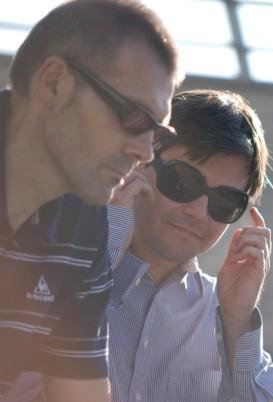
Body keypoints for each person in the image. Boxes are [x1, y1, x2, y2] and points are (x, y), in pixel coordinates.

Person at [0, 1, 179, 401]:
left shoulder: (83, 224)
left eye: (156, 134)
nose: (145, 153)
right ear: (54, 84)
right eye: (135, 118)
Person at [106, 89, 273, 401]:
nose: (199, 212)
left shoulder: (226, 316)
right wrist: (103, 250)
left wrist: (237, 322)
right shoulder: (55, 263)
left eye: (225, 201)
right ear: (139, 163)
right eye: (183, 181)